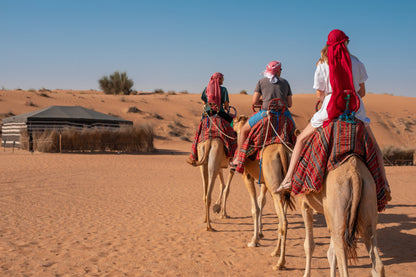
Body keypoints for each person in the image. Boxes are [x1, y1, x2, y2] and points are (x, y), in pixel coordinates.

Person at [275, 29, 391, 199]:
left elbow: (320, 95)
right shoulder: (357, 62)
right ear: (346, 43)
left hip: (330, 107)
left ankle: (288, 179)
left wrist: (329, 99)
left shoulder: (322, 64)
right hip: (355, 108)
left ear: (328, 45)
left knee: (301, 139)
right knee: (374, 146)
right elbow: (362, 91)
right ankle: (385, 184)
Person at [231, 60, 293, 166]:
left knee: (243, 131)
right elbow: (290, 104)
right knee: (296, 135)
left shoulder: (261, 81)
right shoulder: (285, 82)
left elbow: (254, 101)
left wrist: (264, 101)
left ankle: (238, 158)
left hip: (265, 114)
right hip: (284, 115)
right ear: (278, 71)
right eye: (280, 70)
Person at [186, 72, 235, 165]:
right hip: (220, 113)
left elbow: (204, 103)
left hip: (207, 114)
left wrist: (209, 108)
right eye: (221, 79)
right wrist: (225, 107)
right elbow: (226, 105)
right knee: (232, 125)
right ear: (218, 79)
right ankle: (233, 153)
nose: (223, 80)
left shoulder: (206, 88)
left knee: (199, 132)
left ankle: (193, 155)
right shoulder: (223, 90)